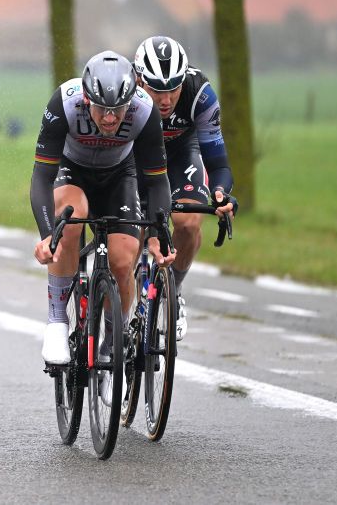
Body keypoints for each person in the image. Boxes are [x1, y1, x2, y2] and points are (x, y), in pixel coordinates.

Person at [30, 51, 176, 368]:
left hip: (119, 175)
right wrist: (46, 237)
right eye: (102, 109)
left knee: (123, 262)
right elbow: (42, 176)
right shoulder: (64, 103)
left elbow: (157, 181)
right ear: (86, 97)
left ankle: (113, 342)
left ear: (131, 99)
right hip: (73, 171)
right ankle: (57, 321)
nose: (110, 118)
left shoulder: (144, 110)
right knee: (69, 219)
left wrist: (157, 234)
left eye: (118, 110)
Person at [133, 36, 238, 339]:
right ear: (139, 80)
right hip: (136, 156)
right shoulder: (124, 91)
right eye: (156, 90)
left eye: (173, 89)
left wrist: (219, 193)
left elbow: (218, 163)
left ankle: (172, 291)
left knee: (188, 222)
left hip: (181, 153)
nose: (166, 100)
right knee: (130, 229)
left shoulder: (199, 94)